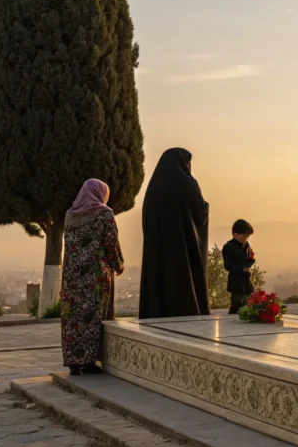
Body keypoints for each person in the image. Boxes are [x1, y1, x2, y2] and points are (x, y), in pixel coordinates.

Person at [60, 179, 124, 376]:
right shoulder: (104, 214)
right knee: (91, 317)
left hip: (71, 278)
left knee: (73, 319)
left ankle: (73, 361)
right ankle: (88, 362)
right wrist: (118, 264)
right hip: (94, 277)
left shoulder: (70, 214)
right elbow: (111, 243)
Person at [139, 148, 210, 319]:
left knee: (161, 277)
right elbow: (201, 212)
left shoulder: (153, 187)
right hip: (183, 246)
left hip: (159, 248)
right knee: (184, 277)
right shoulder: (188, 184)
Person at [223, 220, 256, 314]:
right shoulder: (228, 247)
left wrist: (250, 261)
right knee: (236, 305)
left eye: (247, 236)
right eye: (244, 236)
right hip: (236, 282)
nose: (246, 239)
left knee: (249, 304)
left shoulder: (246, 245)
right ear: (235, 234)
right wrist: (242, 269)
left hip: (247, 280)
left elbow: (250, 259)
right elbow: (228, 265)